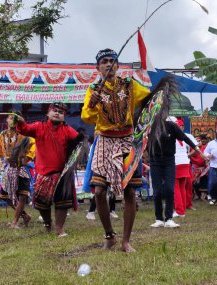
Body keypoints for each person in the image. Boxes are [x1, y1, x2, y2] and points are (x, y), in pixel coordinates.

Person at [81, 48, 151, 252]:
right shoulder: (93, 89)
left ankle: (126, 241)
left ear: (118, 66)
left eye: (112, 61)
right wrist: (92, 104)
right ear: (98, 67)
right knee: (100, 192)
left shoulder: (129, 85)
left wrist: (145, 122)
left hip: (127, 140)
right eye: (104, 61)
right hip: (104, 140)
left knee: (130, 191)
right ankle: (110, 235)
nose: (108, 64)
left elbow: (148, 99)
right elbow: (86, 117)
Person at [16, 102, 80, 237]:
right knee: (41, 203)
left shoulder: (68, 130)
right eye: (54, 110)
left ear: (64, 117)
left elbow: (79, 144)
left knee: (62, 203)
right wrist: (20, 122)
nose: (57, 113)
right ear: (48, 113)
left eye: (61, 112)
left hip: (62, 173)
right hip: (43, 172)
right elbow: (24, 129)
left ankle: (59, 229)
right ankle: (47, 224)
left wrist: (75, 158)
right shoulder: (39, 127)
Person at [147, 116, 207, 229]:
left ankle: (169, 218)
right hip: (155, 161)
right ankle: (159, 219)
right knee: (157, 191)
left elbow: (185, 138)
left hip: (169, 161)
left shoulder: (171, 126)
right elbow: (142, 141)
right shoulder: (150, 126)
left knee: (170, 189)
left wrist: (200, 152)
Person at [0, 112, 35, 228]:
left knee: (22, 195)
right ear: (6, 119)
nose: (11, 120)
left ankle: (14, 222)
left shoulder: (24, 134)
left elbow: (34, 145)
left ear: (19, 120)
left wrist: (27, 158)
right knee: (6, 197)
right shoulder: (3, 135)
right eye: (10, 117)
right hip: (9, 168)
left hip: (22, 168)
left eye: (14, 118)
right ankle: (25, 215)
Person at [173, 119, 199, 217]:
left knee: (177, 187)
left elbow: (197, 147)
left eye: (182, 126)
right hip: (184, 163)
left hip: (177, 163)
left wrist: (187, 155)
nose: (181, 127)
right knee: (181, 187)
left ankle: (180, 210)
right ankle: (182, 209)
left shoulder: (171, 136)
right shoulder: (183, 136)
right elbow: (197, 148)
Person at [189, 134, 209, 200]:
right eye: (201, 139)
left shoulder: (208, 147)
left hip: (205, 168)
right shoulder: (193, 148)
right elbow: (190, 156)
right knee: (193, 182)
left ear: (206, 140)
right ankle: (196, 194)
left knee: (204, 180)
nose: (203, 140)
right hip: (195, 167)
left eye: (204, 139)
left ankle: (203, 195)